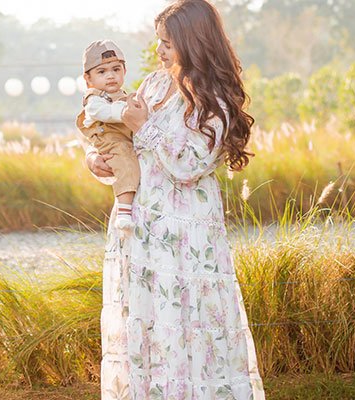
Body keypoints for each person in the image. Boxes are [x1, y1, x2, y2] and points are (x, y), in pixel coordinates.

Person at [85, 0, 266, 398]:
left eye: (167, 43)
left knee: (188, 323)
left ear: (193, 42)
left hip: (185, 239)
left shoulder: (214, 100)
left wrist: (144, 126)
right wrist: (98, 160)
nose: (159, 51)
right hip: (141, 230)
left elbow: (189, 165)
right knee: (149, 326)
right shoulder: (152, 84)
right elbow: (129, 147)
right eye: (158, 42)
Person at [76, 40, 139, 237]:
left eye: (116, 69)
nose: (110, 76)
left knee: (129, 161)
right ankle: (124, 210)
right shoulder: (94, 98)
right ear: (88, 79)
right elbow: (104, 112)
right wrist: (128, 112)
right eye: (101, 72)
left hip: (123, 138)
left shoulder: (123, 95)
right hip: (110, 140)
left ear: (124, 71)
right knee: (125, 162)